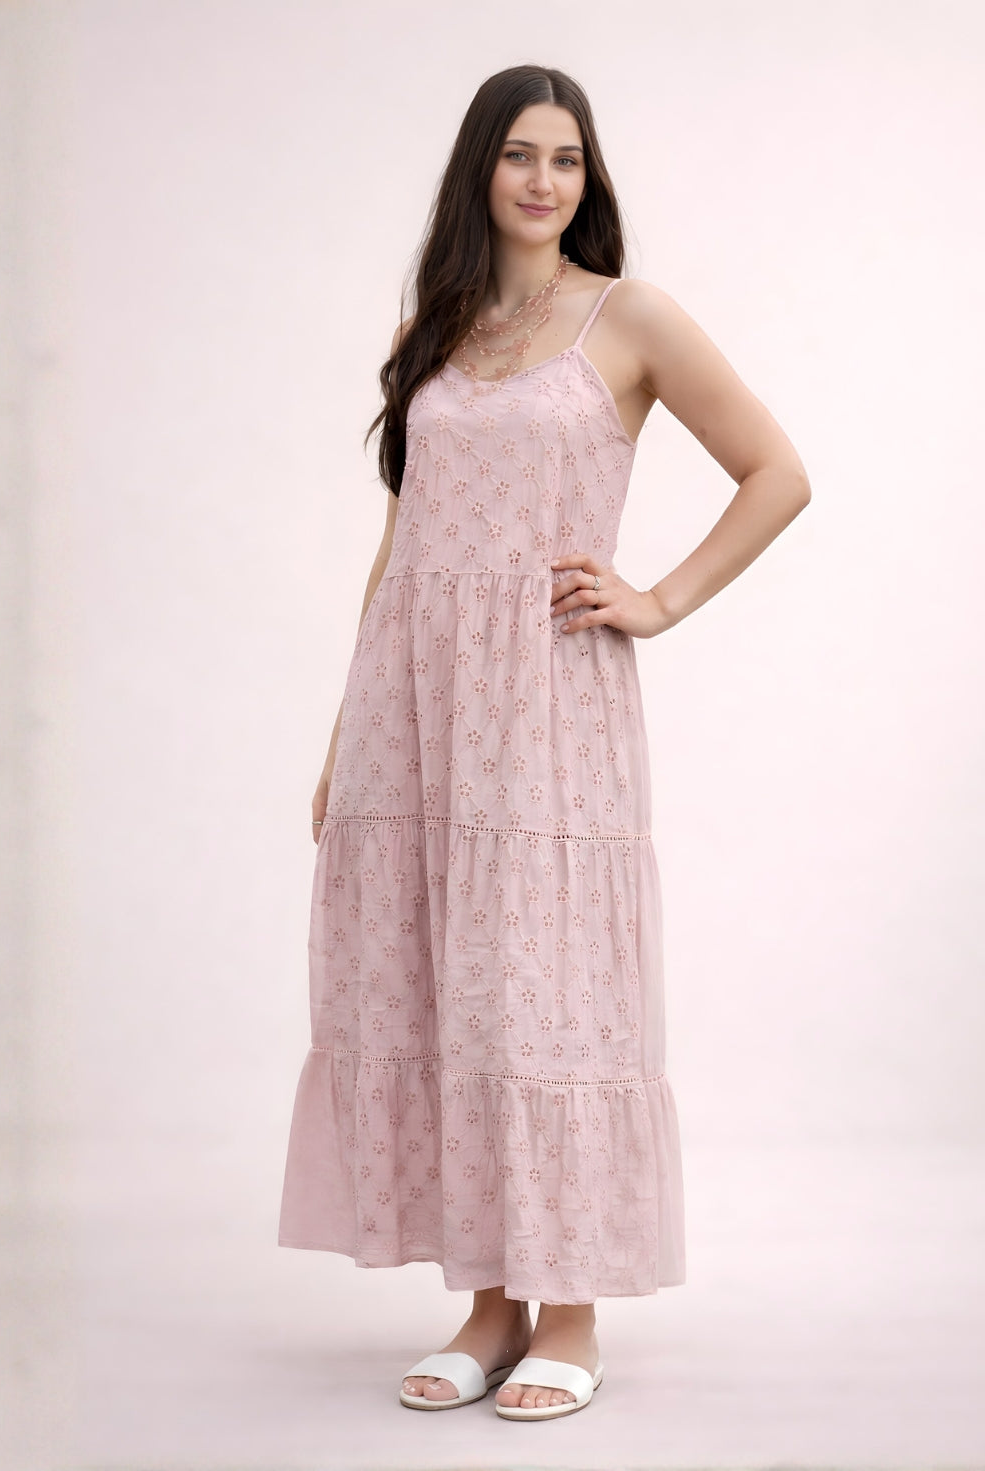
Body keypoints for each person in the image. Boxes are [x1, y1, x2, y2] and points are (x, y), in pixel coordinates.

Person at [277, 63, 811, 1422]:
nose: (543, 181)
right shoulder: (438, 326)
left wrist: (659, 599)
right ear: (480, 171)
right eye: (519, 155)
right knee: (438, 978)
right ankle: (487, 1302)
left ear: (590, 179)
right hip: (415, 699)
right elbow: (403, 538)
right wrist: (350, 729)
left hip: (547, 699)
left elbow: (778, 471)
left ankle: (569, 1307)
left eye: (567, 160)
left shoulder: (627, 318)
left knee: (543, 986)